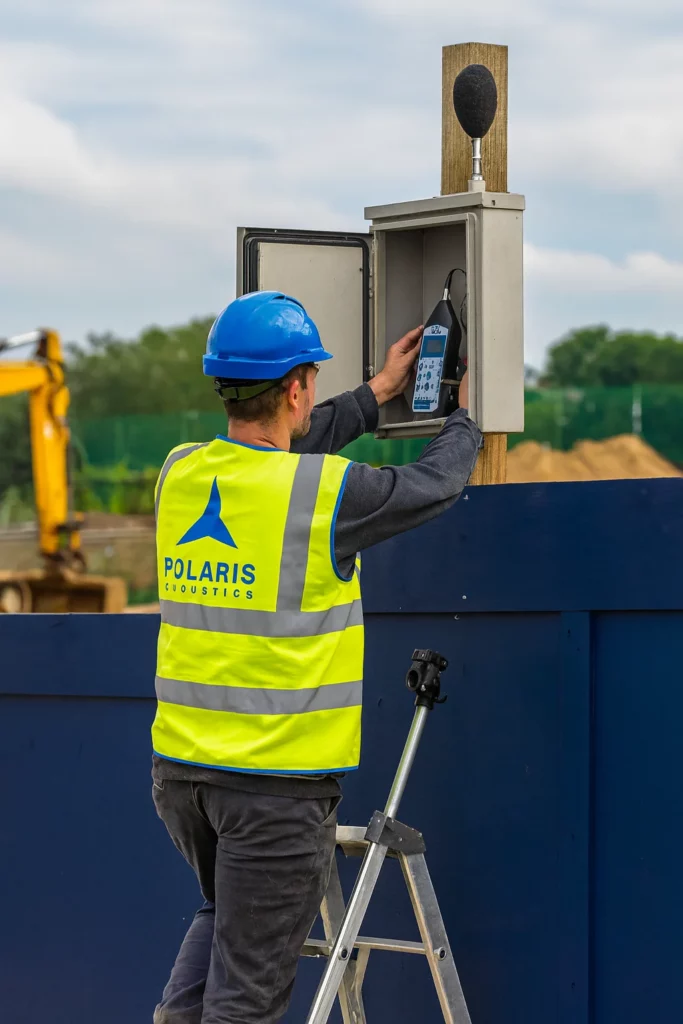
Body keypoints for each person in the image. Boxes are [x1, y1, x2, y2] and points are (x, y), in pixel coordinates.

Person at [151, 291, 482, 1024]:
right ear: (299, 387)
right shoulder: (327, 492)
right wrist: (463, 415)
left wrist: (376, 396)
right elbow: (435, 483)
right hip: (272, 790)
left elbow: (284, 456)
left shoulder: (180, 474)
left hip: (182, 780)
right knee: (247, 1002)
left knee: (221, 931)